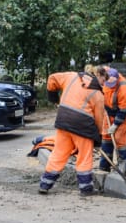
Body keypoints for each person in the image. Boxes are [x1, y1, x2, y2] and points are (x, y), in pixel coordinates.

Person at [39, 68, 108, 196]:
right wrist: (98, 138)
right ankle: (86, 188)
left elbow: (52, 78)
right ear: (98, 75)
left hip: (63, 120)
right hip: (83, 127)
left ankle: (45, 184)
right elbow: (99, 120)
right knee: (84, 157)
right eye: (103, 81)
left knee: (58, 154)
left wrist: (53, 99)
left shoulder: (71, 76)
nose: (103, 84)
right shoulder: (98, 95)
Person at [100, 68, 126, 176]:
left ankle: (123, 166)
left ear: (117, 79)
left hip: (122, 113)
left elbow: (123, 111)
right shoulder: (104, 75)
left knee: (119, 139)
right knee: (106, 137)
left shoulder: (125, 90)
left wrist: (116, 124)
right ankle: (104, 165)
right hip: (108, 112)